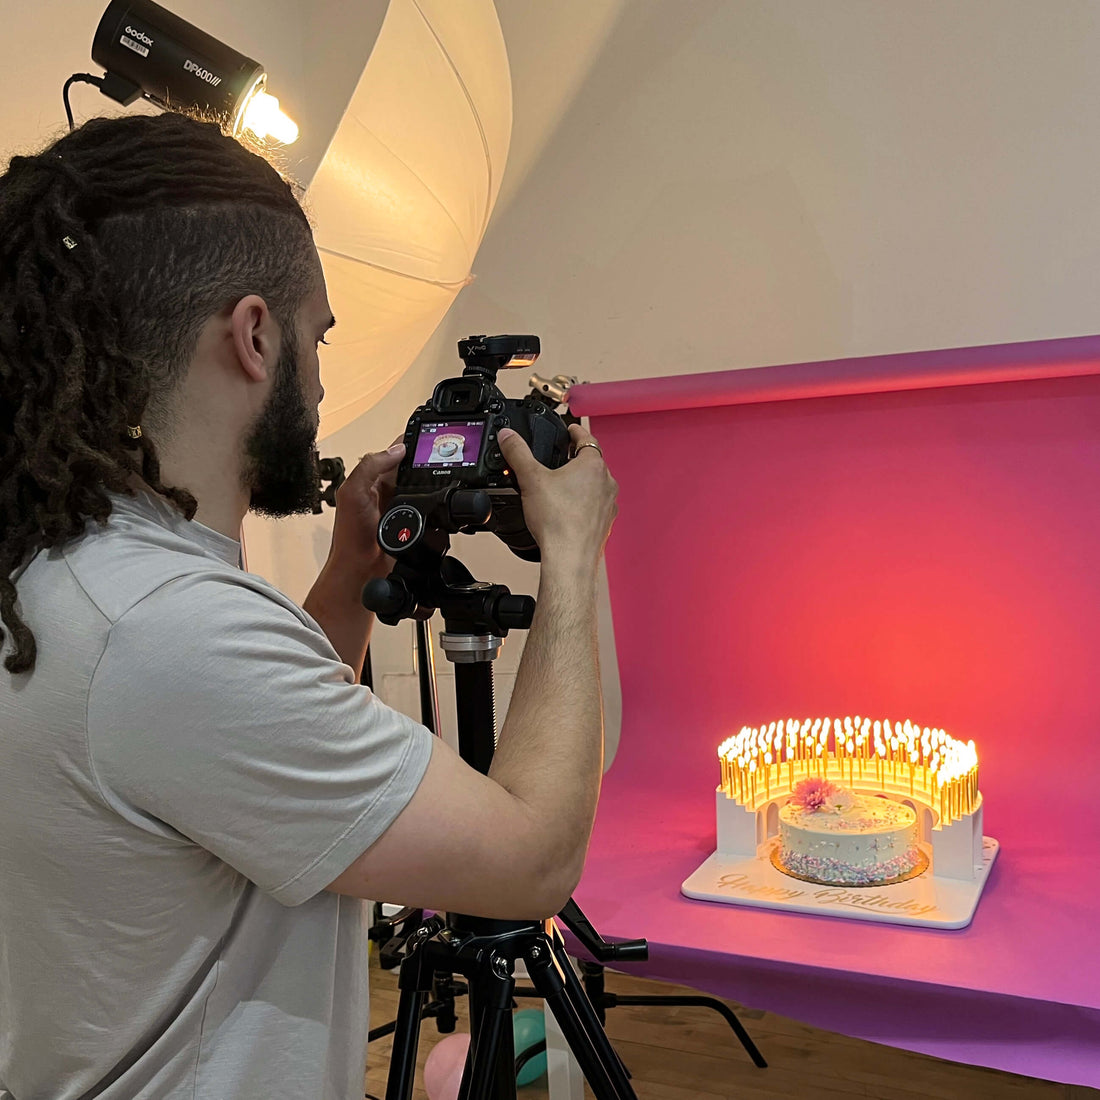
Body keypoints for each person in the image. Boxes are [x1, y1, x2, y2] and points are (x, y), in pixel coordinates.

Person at [0, 113, 618, 1099]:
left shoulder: (67, 570)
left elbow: (241, 771)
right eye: (316, 333)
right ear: (254, 336)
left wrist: (345, 583)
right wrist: (575, 559)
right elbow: (535, 859)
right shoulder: (174, 629)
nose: (321, 374)